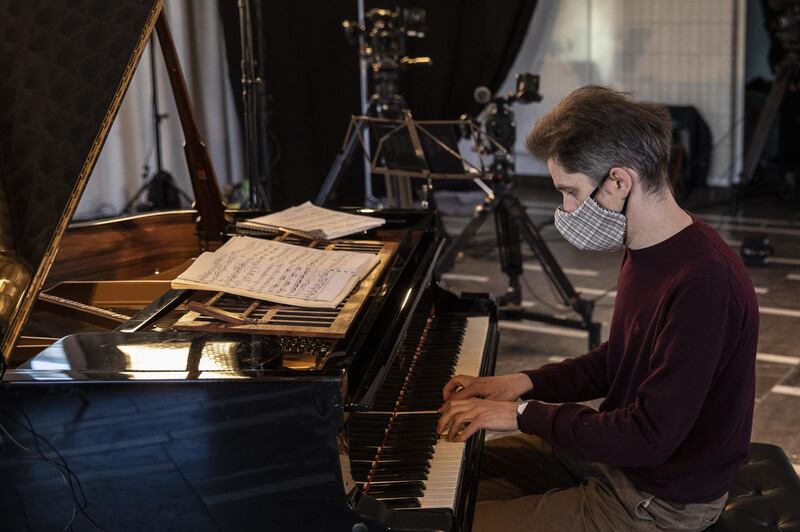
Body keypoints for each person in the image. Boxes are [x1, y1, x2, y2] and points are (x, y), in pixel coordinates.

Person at [437, 86, 758, 531]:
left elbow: (649, 436)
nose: (565, 210)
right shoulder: (648, 246)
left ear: (619, 181)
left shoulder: (704, 282)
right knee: (450, 471)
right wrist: (521, 383)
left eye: (570, 192)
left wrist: (523, 415)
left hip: (660, 499)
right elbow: (621, 358)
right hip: (616, 461)